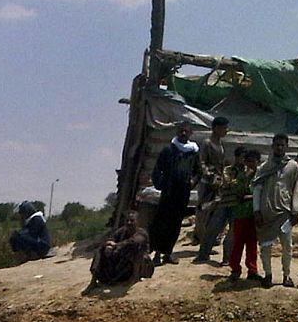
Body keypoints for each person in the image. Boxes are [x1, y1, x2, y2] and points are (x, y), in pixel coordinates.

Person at [253, 133, 298, 288]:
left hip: (285, 213)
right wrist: (256, 211)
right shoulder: (264, 167)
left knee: (287, 246)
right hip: (267, 213)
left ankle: (286, 275)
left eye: (282, 145)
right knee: (265, 246)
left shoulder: (292, 166)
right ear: (272, 147)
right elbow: (257, 190)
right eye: (277, 145)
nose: (280, 148)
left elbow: (296, 190)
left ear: (286, 147)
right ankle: (268, 275)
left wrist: (296, 211)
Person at [149, 122, 201, 265]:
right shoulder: (168, 150)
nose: (183, 133)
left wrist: (192, 183)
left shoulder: (193, 152)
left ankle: (168, 253)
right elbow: (157, 170)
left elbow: (198, 172)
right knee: (162, 222)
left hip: (182, 193)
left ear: (190, 134)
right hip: (168, 192)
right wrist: (161, 184)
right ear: (177, 133)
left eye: (186, 131)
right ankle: (157, 254)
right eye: (181, 131)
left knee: (175, 223)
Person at [193, 116, 232, 264]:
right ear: (216, 128)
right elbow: (201, 163)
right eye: (224, 127)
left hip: (218, 184)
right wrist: (210, 175)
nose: (226, 130)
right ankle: (202, 244)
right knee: (203, 213)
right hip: (207, 184)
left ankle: (208, 245)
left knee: (215, 215)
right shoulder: (207, 143)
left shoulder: (221, 144)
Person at [225, 148, 262, 281]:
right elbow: (239, 194)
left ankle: (252, 270)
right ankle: (235, 269)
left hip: (253, 214)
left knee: (252, 244)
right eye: (249, 161)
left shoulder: (260, 176)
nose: (251, 164)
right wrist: (253, 196)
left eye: (254, 161)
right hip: (241, 214)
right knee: (238, 243)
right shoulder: (242, 176)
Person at [89, 210, 152, 286]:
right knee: (100, 249)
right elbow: (111, 239)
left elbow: (133, 241)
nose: (129, 223)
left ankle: (134, 277)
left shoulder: (142, 233)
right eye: (127, 220)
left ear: (137, 222)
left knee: (135, 248)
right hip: (123, 265)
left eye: (132, 221)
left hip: (140, 267)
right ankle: (94, 279)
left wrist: (116, 245)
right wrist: (108, 245)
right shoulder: (122, 231)